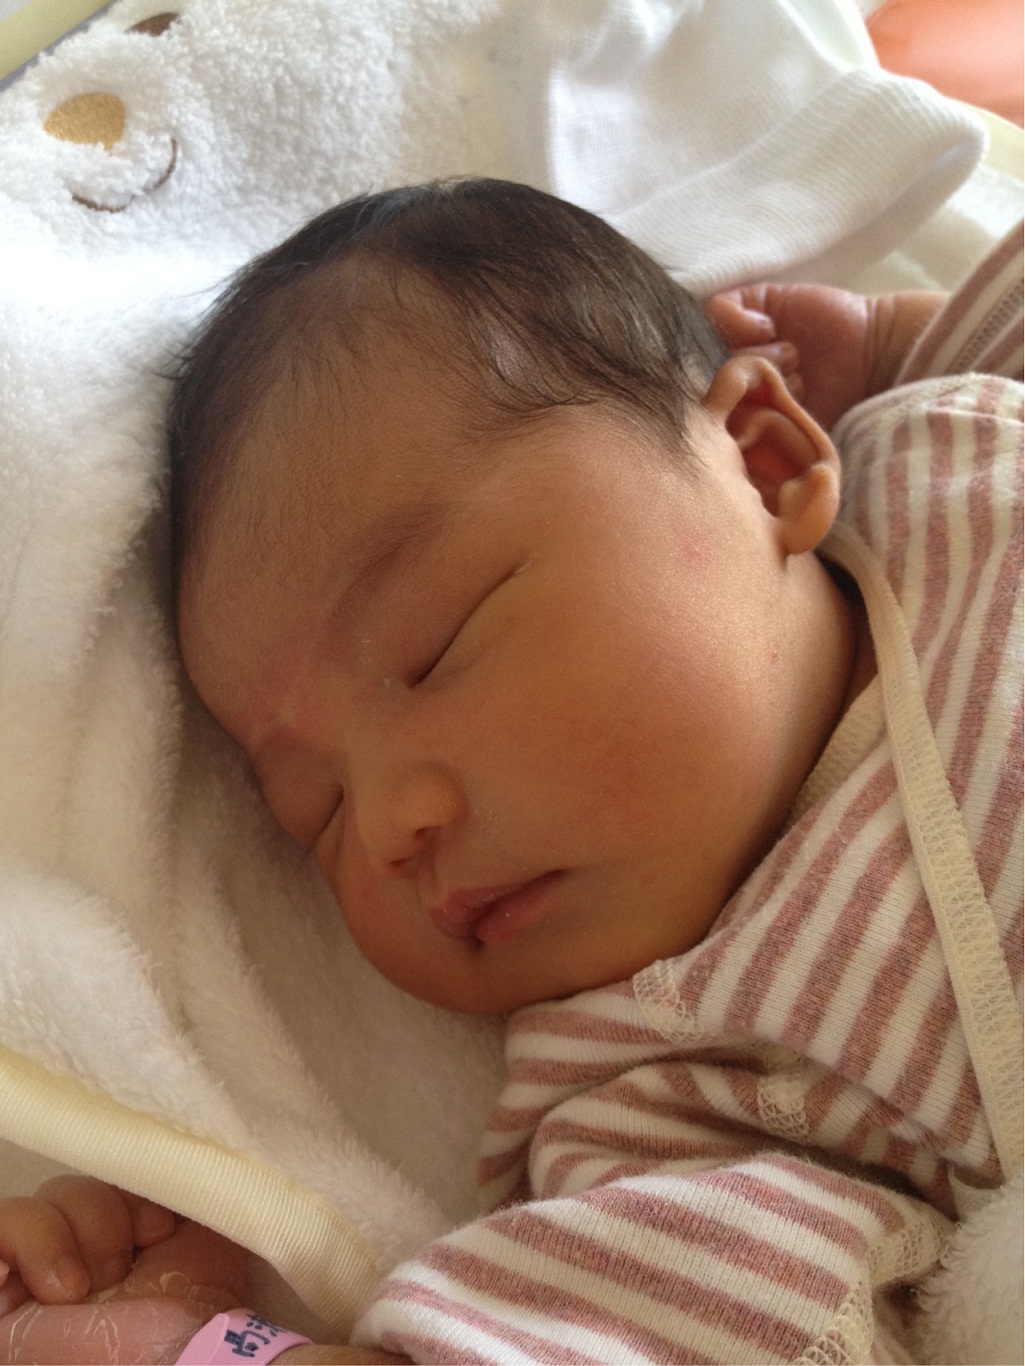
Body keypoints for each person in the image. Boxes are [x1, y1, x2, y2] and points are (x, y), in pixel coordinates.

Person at [0, 181, 1020, 1365]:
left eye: (436, 644)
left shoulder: (956, 457)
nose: (389, 824)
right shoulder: (657, 1090)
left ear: (762, 457)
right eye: (317, 811)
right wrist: (195, 1347)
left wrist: (894, 337)